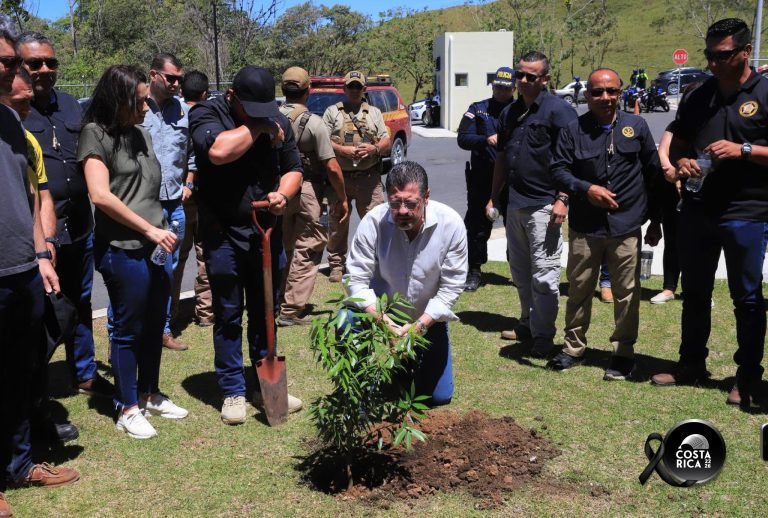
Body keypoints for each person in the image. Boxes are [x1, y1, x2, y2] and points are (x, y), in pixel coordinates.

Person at [650, 18, 768, 408]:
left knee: (747, 298)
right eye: (710, 55)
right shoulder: (698, 96)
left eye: (724, 55)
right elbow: (679, 143)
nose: (714, 63)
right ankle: (691, 364)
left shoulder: (765, 91)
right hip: (698, 209)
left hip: (748, 211)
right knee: (695, 293)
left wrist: (745, 150)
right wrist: (681, 163)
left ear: (745, 52)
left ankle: (748, 376)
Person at [189, 65, 304, 425]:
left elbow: (294, 168)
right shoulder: (207, 113)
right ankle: (233, 390)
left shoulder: (276, 116)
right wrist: (258, 127)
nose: (261, 116)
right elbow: (219, 152)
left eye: (263, 111)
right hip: (222, 231)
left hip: (265, 229)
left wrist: (283, 194)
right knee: (227, 312)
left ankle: (260, 381)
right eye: (251, 110)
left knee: (265, 308)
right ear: (231, 97)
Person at [79, 65, 189, 439]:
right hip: (122, 249)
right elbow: (100, 195)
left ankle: (149, 393)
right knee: (128, 329)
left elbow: (150, 189)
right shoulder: (95, 134)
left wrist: (161, 230)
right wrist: (148, 229)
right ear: (119, 98)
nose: (146, 107)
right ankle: (127, 407)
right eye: (139, 100)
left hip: (157, 245)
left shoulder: (142, 133)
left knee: (155, 322)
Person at [0, 20, 78, 514]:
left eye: (13, 62)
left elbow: (32, 197)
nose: (16, 72)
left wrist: (43, 255)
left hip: (21, 271)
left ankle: (20, 463)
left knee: (17, 374)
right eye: (7, 63)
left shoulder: (11, 122)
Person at [550, 68, 661, 378]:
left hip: (626, 226)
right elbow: (558, 169)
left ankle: (624, 351)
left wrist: (657, 221)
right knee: (579, 288)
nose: (605, 98)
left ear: (620, 92)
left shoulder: (636, 126)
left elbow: (653, 174)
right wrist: (587, 189)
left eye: (611, 91)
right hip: (586, 226)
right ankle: (573, 347)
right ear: (587, 95)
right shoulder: (574, 130)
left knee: (627, 291)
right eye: (597, 92)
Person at [19, 31, 110, 397]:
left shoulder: (73, 106)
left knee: (81, 302)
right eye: (34, 63)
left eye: (51, 62)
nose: (44, 69)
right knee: (39, 311)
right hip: (38, 232)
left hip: (79, 225)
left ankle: (85, 373)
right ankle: (34, 385)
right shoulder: (12, 112)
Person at [344, 161, 468, 405]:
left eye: (411, 203)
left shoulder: (450, 224)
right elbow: (355, 280)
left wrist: (418, 327)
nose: (402, 210)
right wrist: (385, 322)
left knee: (439, 396)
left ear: (426, 197)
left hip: (426, 319)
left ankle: (406, 364)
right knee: (345, 321)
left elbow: (451, 288)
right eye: (395, 203)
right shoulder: (373, 222)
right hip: (381, 312)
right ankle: (360, 385)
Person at [488, 51, 577, 357]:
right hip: (515, 203)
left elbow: (573, 160)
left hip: (545, 205)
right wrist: (494, 194)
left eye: (531, 76)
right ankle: (527, 322)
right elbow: (501, 157)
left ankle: (543, 335)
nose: (523, 81)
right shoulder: (509, 113)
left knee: (544, 275)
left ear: (545, 79)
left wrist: (563, 198)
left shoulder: (559, 112)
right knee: (520, 272)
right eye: (520, 75)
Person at [277, 66, 349, 326]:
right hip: (307, 189)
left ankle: (278, 298)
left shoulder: (270, 119)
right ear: (308, 91)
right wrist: (342, 197)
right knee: (310, 245)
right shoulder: (314, 123)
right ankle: (291, 308)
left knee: (284, 245)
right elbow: (331, 166)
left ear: (283, 90)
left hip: (278, 189)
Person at [142, 53, 196, 350]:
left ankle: (162, 330)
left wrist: (189, 182)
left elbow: (191, 155)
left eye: (180, 79)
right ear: (153, 75)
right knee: (134, 271)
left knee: (168, 270)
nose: (177, 84)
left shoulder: (184, 111)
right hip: (142, 205)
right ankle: (120, 335)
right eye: (171, 78)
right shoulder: (135, 108)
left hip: (174, 204)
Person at [323, 71, 391, 283]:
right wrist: (342, 151)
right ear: (344, 89)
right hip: (339, 177)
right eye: (350, 87)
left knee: (376, 222)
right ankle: (336, 264)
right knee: (337, 221)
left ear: (364, 90)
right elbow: (323, 141)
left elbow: (386, 141)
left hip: (369, 177)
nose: (354, 91)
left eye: (357, 87)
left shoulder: (375, 113)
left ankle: (375, 263)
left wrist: (373, 148)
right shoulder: (332, 112)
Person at [456, 66, 515, 292]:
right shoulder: (478, 109)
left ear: (514, 88)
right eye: (498, 86)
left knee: (516, 226)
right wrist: (485, 139)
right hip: (482, 178)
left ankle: (517, 269)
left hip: (513, 180)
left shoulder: (522, 110)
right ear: (493, 86)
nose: (502, 90)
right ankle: (474, 270)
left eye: (507, 87)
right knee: (477, 227)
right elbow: (463, 138)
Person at [171, 70, 213, 327]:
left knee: (176, 259)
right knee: (206, 256)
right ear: (205, 94)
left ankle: (171, 315)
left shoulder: (173, 117)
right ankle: (206, 312)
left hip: (180, 200)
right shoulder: (211, 117)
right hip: (206, 200)